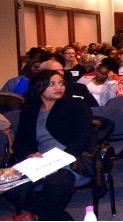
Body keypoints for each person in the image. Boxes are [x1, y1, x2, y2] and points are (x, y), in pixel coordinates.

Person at [3, 70, 95, 220]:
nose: (58, 87)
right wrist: (29, 155)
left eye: (61, 83)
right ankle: (58, 217)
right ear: (39, 87)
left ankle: (48, 216)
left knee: (55, 184)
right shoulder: (30, 110)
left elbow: (82, 138)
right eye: (52, 84)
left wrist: (57, 162)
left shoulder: (75, 105)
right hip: (39, 162)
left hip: (70, 160)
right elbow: (21, 140)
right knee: (10, 188)